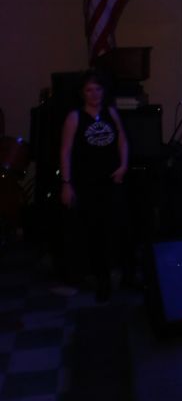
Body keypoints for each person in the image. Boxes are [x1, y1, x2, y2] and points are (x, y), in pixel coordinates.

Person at [59, 69, 129, 301]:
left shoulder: (111, 112)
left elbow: (122, 140)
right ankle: (101, 280)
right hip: (87, 183)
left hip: (112, 180)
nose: (94, 94)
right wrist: (66, 183)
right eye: (89, 90)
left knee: (115, 228)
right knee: (94, 232)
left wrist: (123, 165)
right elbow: (65, 152)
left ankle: (120, 274)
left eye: (98, 89)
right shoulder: (75, 117)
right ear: (82, 93)